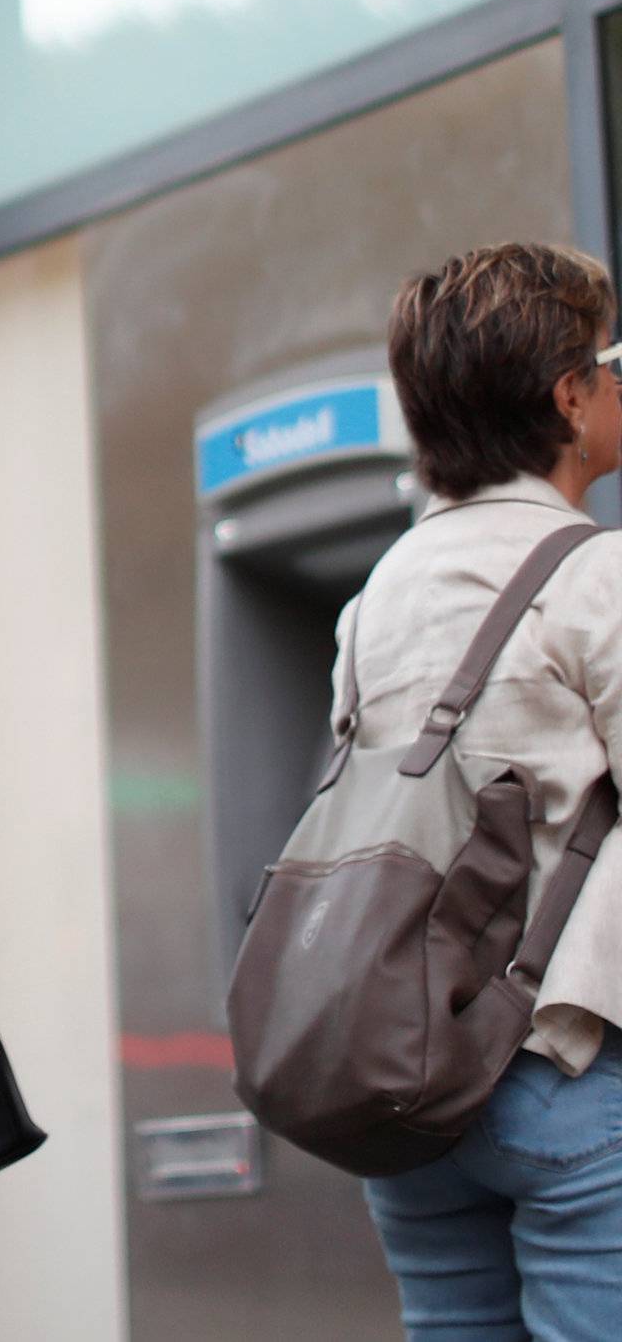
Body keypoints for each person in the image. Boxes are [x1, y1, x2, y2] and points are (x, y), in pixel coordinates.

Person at [350, 243, 622, 1337]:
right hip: (569, 1071)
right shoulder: (595, 573)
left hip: (413, 1093)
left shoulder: (378, 593)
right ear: (567, 395)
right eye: (608, 363)